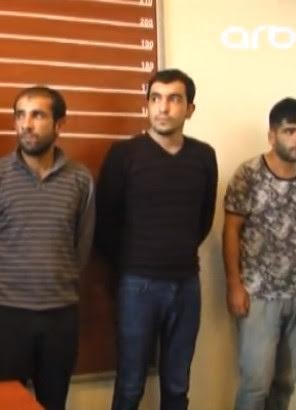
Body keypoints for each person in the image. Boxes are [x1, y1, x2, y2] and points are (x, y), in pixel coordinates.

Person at [95, 69, 218, 410]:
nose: (163, 108)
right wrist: (134, 263)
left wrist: (175, 252)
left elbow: (204, 218)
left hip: (187, 284)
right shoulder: (124, 154)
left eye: (174, 99)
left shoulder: (203, 155)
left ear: (189, 109)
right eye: (156, 98)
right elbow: (105, 222)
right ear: (148, 104)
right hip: (138, 285)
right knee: (130, 385)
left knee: (177, 385)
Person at [0, 86, 95, 410]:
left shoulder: (80, 179)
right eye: (20, 115)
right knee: (0, 404)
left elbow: (82, 245)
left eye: (37, 115)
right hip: (5, 315)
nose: (26, 124)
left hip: (60, 315)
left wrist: (57, 280)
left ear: (59, 124)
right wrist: (2, 286)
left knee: (53, 402)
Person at [223, 97, 296, 410]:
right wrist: (234, 285)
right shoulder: (249, 174)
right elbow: (231, 230)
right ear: (272, 135)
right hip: (259, 295)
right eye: (290, 131)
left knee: (286, 382)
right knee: (256, 385)